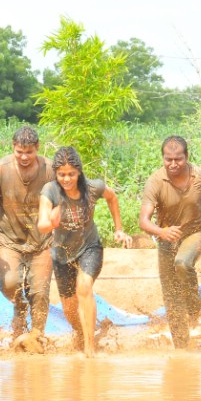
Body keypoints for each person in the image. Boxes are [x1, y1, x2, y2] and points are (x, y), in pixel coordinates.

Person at [37, 147, 129, 357]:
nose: (66, 179)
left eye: (71, 174)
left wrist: (119, 229)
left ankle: (90, 347)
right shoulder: (49, 191)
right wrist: (51, 222)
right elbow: (41, 224)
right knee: (69, 309)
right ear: (56, 174)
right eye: (62, 174)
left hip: (90, 247)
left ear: (79, 172)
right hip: (61, 254)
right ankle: (83, 334)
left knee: (84, 286)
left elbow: (112, 198)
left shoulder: (92, 187)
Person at [139, 136, 201, 348]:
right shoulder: (156, 181)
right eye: (168, 159)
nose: (173, 164)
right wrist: (161, 231)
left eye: (178, 159)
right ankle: (182, 347)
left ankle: (196, 309)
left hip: (197, 233)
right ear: (163, 158)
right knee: (171, 296)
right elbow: (143, 220)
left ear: (186, 157)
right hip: (167, 239)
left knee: (182, 262)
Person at [0, 126, 55, 342]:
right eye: (19, 152)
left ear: (37, 149)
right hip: (8, 239)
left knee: (40, 292)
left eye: (29, 152)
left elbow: (64, 199)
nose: (24, 157)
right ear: (13, 148)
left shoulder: (50, 169)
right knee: (9, 283)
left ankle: (37, 336)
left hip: (42, 240)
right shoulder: (0, 170)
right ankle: (20, 306)